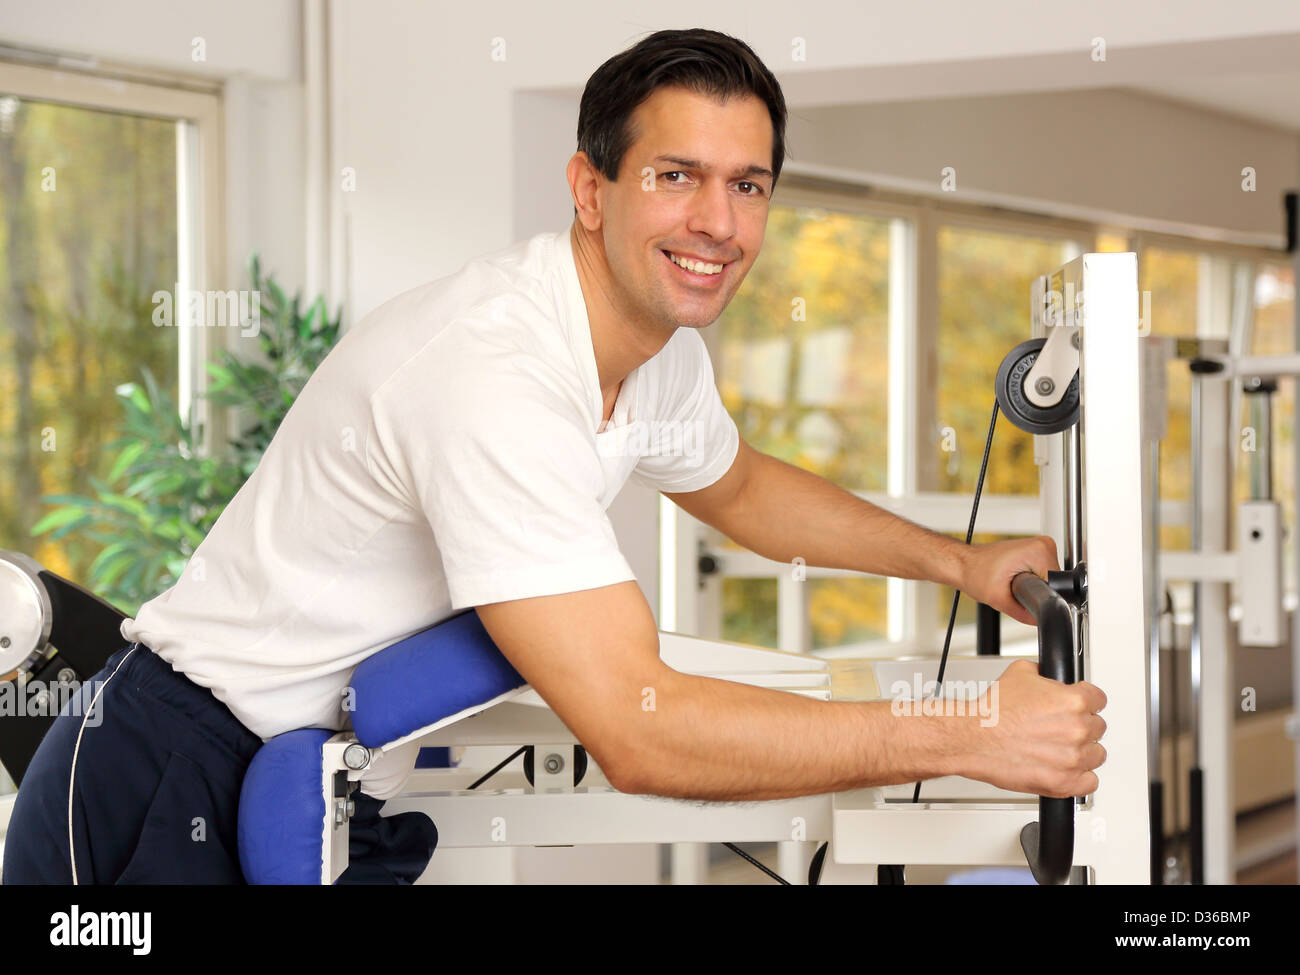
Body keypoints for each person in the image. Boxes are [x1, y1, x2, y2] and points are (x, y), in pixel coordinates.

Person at [2, 27, 1105, 885]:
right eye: (676, 176)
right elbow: (642, 731)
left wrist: (953, 563)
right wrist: (969, 733)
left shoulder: (653, 349)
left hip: (306, 776)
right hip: (149, 780)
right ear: (590, 190)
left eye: (748, 184)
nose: (718, 223)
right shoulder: (492, 374)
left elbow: (746, 489)